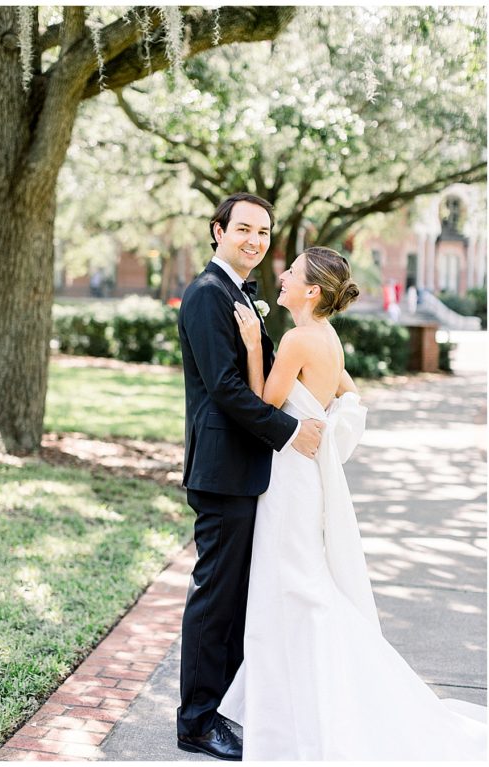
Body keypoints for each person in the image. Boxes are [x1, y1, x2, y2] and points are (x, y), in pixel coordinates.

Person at [216, 246, 487, 760]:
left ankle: (323, 698)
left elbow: (260, 405)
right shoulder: (327, 336)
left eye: (291, 272)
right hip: (304, 473)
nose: (283, 275)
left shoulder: (297, 338)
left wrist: (254, 345)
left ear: (311, 291)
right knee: (297, 582)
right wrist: (318, 422)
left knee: (296, 587)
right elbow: (350, 394)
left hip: (293, 477)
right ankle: (297, 701)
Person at [176, 193, 324, 760]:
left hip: (246, 469)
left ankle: (224, 710)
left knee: (235, 598)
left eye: (263, 232)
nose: (255, 241)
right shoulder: (207, 295)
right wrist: (289, 433)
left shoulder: (239, 296)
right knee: (215, 598)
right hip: (221, 470)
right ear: (218, 232)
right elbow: (226, 390)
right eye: (243, 229)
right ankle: (196, 722)